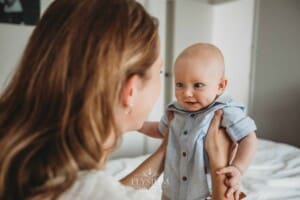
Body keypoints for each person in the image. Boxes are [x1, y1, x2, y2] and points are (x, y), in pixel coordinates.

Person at [0, 1, 235, 200]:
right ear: (130, 90)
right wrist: (217, 164)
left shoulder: (25, 163)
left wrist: (166, 150)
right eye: (161, 73)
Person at [140, 43, 257, 200]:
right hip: (173, 189)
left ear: (220, 86)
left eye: (198, 85)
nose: (187, 93)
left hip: (208, 189)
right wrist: (138, 125)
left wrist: (238, 168)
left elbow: (248, 137)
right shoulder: (175, 110)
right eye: (180, 85)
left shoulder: (224, 110)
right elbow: (160, 130)